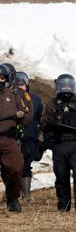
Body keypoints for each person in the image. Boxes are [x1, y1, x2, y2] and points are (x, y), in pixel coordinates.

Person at [40, 74, 76, 212]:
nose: (66, 88)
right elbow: (42, 124)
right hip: (59, 145)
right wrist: (49, 124)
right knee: (61, 175)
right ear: (58, 86)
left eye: (68, 86)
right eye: (63, 86)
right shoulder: (51, 105)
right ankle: (63, 205)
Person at [0, 64, 33, 212]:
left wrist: (22, 116)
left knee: (16, 168)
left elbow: (27, 116)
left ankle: (12, 199)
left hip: (9, 139)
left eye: (2, 77)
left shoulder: (15, 94)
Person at [14, 72, 42, 202]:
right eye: (17, 85)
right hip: (12, 136)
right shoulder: (8, 98)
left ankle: (26, 195)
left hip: (29, 137)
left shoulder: (35, 99)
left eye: (22, 85)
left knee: (26, 165)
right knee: (12, 165)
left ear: (26, 85)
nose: (20, 87)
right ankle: (13, 193)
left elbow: (39, 118)